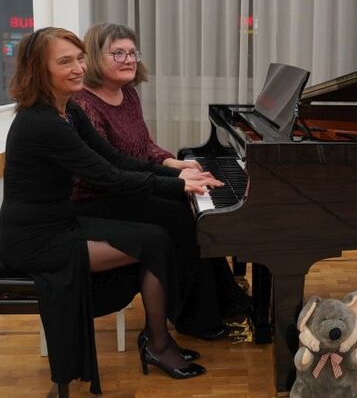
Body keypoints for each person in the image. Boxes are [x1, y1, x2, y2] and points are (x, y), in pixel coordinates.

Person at [0, 27, 221, 391]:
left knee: (158, 236)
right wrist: (179, 184)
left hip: (61, 221)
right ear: (39, 70)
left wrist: (174, 172)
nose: (78, 68)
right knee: (155, 242)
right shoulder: (41, 123)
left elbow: (114, 158)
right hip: (36, 239)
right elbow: (109, 176)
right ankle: (158, 344)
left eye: (79, 58)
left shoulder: (68, 110)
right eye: (65, 61)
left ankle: (158, 338)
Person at [71, 22, 250, 341]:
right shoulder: (84, 105)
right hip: (96, 199)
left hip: (131, 185)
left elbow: (144, 146)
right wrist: (176, 179)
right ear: (96, 57)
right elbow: (110, 171)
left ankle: (226, 298)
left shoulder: (127, 94)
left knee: (194, 211)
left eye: (132, 53)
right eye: (118, 53)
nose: (129, 60)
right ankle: (196, 317)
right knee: (181, 217)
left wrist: (174, 162)